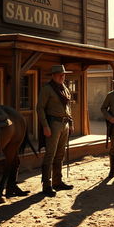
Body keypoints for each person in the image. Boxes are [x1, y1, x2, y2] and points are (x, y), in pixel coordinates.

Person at [37, 65, 74, 197]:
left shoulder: (64, 88)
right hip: (53, 124)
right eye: (59, 74)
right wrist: (45, 126)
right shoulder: (47, 89)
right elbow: (40, 108)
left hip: (64, 123)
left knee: (60, 154)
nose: (62, 76)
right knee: (50, 155)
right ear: (53, 75)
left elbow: (68, 106)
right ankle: (47, 185)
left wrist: (71, 122)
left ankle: (58, 181)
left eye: (63, 74)